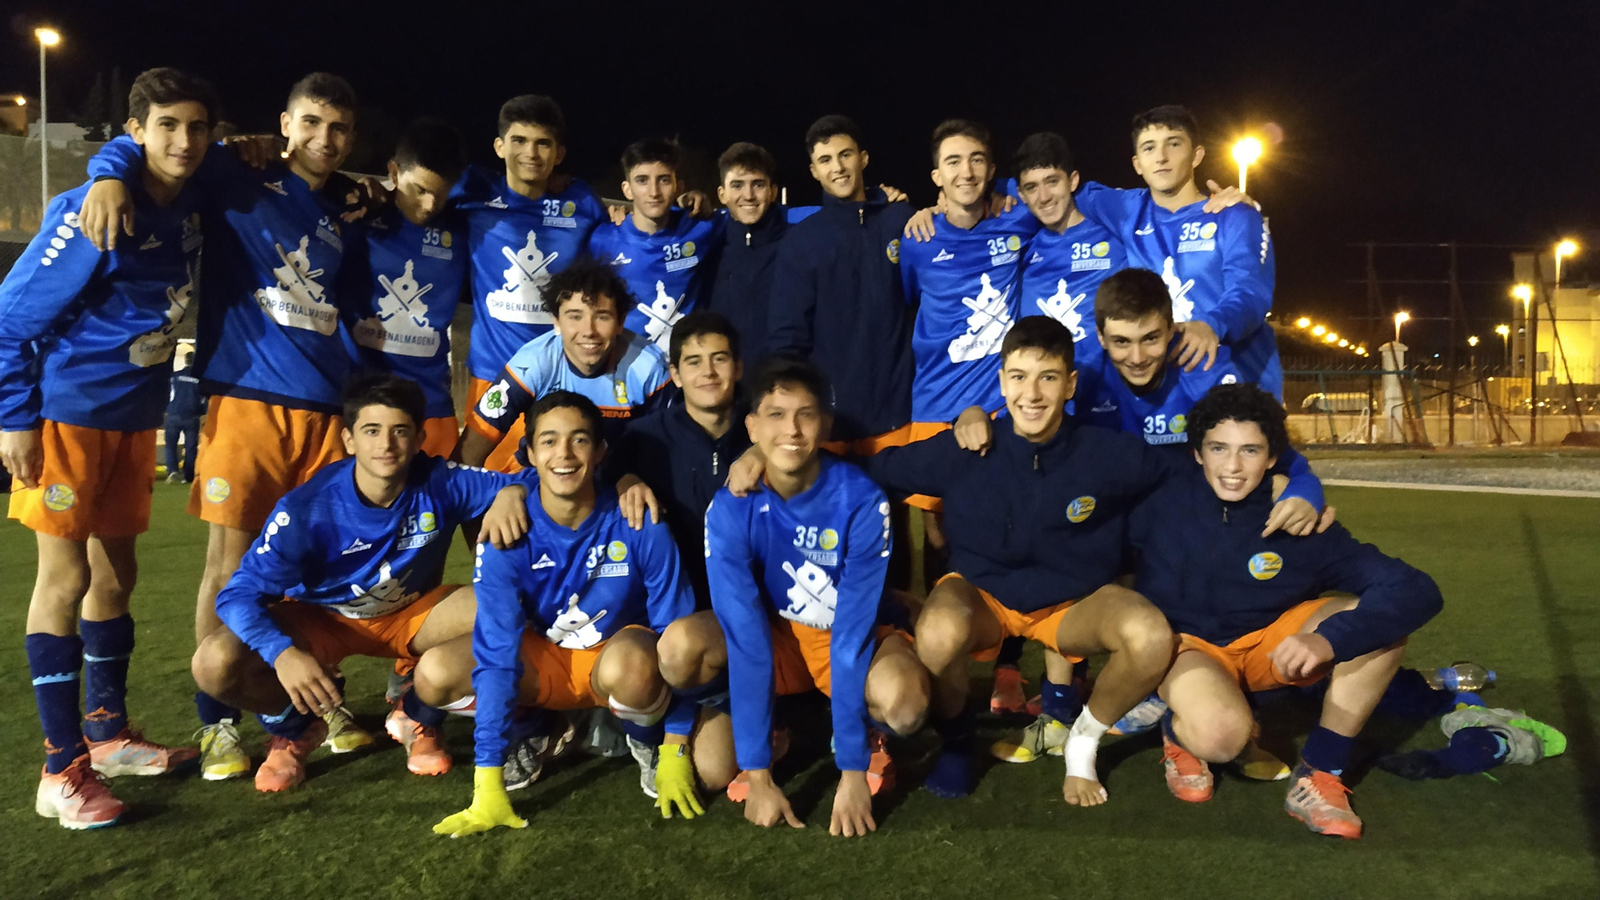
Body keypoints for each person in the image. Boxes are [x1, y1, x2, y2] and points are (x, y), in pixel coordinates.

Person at [80, 72, 372, 776]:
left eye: (337, 129)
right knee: (228, 565)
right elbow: (150, 148)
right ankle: (217, 724)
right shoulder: (236, 175)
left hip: (325, 413)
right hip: (246, 401)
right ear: (285, 121)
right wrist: (103, 175)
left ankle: (296, 705)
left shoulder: (346, 211)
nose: (322, 140)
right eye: (310, 124)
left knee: (309, 572)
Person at [992, 267, 1327, 766]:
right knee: (1067, 562)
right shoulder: (1081, 376)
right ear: (1100, 336)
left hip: (1195, 525)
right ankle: (1059, 714)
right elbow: (1024, 416)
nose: (1136, 355)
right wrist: (978, 418)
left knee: (1239, 588)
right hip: (1113, 520)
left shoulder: (1206, 369)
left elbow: (1276, 452)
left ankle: (1194, 703)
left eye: (1151, 338)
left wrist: (1305, 491)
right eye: (1121, 342)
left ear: (1172, 329)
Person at [0, 67, 216, 830]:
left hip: (132, 421)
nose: (183, 142)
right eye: (166, 127)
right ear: (136, 133)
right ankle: (60, 770)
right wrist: (14, 418)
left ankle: (108, 731)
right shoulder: (88, 211)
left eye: (196, 127)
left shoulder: (186, 201)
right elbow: (9, 319)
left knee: (115, 576)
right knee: (61, 579)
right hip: (66, 420)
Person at [861, 316, 1183, 804]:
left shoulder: (1108, 453)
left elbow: (1196, 477)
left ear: (1071, 384)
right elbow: (871, 472)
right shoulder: (969, 445)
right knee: (938, 630)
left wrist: (1291, 482)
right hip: (985, 596)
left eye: (1048, 377)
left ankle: (1081, 745)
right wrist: (768, 460)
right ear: (1001, 381)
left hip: (1071, 605)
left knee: (1151, 635)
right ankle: (958, 741)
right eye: (1018, 377)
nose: (1031, 394)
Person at [1131, 383, 1443, 838]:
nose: (1233, 467)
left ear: (1274, 456)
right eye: (1219, 448)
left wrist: (1329, 639)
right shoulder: (1158, 504)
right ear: (1198, 453)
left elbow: (1416, 588)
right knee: (1221, 739)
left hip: (1272, 649)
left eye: (1250, 450)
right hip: (1191, 649)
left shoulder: (1298, 517)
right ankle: (1179, 730)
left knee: (1377, 623)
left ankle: (1320, 772)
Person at [199, 373, 530, 791]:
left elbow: (536, 484)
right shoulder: (306, 508)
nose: (386, 445)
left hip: (413, 615)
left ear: (419, 438)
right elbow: (237, 595)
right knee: (214, 663)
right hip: (324, 619)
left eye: (399, 431)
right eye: (372, 431)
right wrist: (283, 655)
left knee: (512, 604)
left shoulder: (440, 479)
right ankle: (296, 726)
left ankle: (417, 712)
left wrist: (513, 492)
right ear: (349, 439)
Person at [420, 391, 696, 836]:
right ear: (529, 454)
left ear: (601, 450)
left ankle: (643, 739)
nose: (563, 454)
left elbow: (675, 638)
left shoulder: (640, 520)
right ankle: (534, 726)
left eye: (579, 440)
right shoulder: (505, 528)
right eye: (548, 441)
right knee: (434, 673)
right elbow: (495, 652)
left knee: (639, 663)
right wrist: (486, 776)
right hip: (542, 661)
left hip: (613, 660)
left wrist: (674, 747)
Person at [699, 357, 929, 837]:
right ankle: (791, 728)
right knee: (712, 763)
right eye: (777, 415)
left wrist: (851, 767)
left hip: (840, 636)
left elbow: (851, 635)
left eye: (806, 414)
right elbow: (744, 637)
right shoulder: (730, 506)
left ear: (825, 423)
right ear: (752, 427)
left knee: (906, 707)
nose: (793, 429)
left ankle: (867, 733)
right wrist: (758, 772)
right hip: (777, 638)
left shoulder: (861, 501)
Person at [1074, 105, 1280, 397]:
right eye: (1149, 148)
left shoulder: (1234, 215)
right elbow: (1054, 190)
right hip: (1165, 392)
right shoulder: (1126, 209)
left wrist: (1212, 325)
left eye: (1173, 144)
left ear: (1196, 155)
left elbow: (1251, 292)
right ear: (1137, 164)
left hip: (1241, 385)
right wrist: (996, 194)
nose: (1161, 157)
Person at [456, 95, 607, 471]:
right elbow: (416, 193)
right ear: (499, 146)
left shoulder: (581, 202)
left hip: (558, 380)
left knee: (553, 501)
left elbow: (628, 243)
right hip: (491, 377)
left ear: (559, 153)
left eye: (543, 143)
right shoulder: (474, 193)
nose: (531, 153)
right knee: (482, 501)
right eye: (520, 140)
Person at [456, 257, 671, 471]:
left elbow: (670, 454)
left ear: (620, 322)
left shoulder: (648, 367)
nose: (589, 331)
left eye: (602, 317)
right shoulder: (532, 364)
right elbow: (465, 458)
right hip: (540, 481)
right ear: (556, 321)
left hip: (620, 485)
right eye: (575, 317)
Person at [346, 119, 471, 457]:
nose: (430, 204)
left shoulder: (462, 227)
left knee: (439, 510)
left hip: (431, 408)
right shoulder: (356, 213)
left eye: (441, 194)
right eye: (420, 190)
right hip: (364, 405)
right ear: (394, 172)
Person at [587, 138, 723, 351]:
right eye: (642, 180)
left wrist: (699, 198)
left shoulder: (701, 228)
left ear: (679, 186)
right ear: (627, 189)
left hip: (686, 366)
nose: (654, 192)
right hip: (629, 367)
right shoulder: (601, 240)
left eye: (664, 180)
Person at [704, 143, 790, 376]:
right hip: (723, 382)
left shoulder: (798, 244)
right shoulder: (708, 245)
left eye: (758, 184)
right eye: (737, 185)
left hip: (781, 381)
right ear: (722, 194)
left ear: (773, 191)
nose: (749, 196)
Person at [167, 355, 203, 483]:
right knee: (190, 447)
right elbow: (203, 400)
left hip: (174, 414)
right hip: (192, 417)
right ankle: (188, 476)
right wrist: (201, 412)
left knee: (171, 445)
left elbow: (168, 393)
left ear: (185, 361)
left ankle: (172, 470)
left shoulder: (174, 377)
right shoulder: (200, 380)